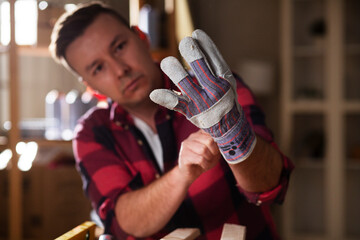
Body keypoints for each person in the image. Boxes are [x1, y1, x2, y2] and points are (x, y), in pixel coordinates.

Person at [49, 2, 294, 239]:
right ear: (91, 87)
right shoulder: (92, 132)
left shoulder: (217, 91)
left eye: (120, 47)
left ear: (142, 37)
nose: (119, 69)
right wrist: (182, 174)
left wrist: (235, 138)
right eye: (98, 68)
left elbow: (272, 183)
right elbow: (125, 222)